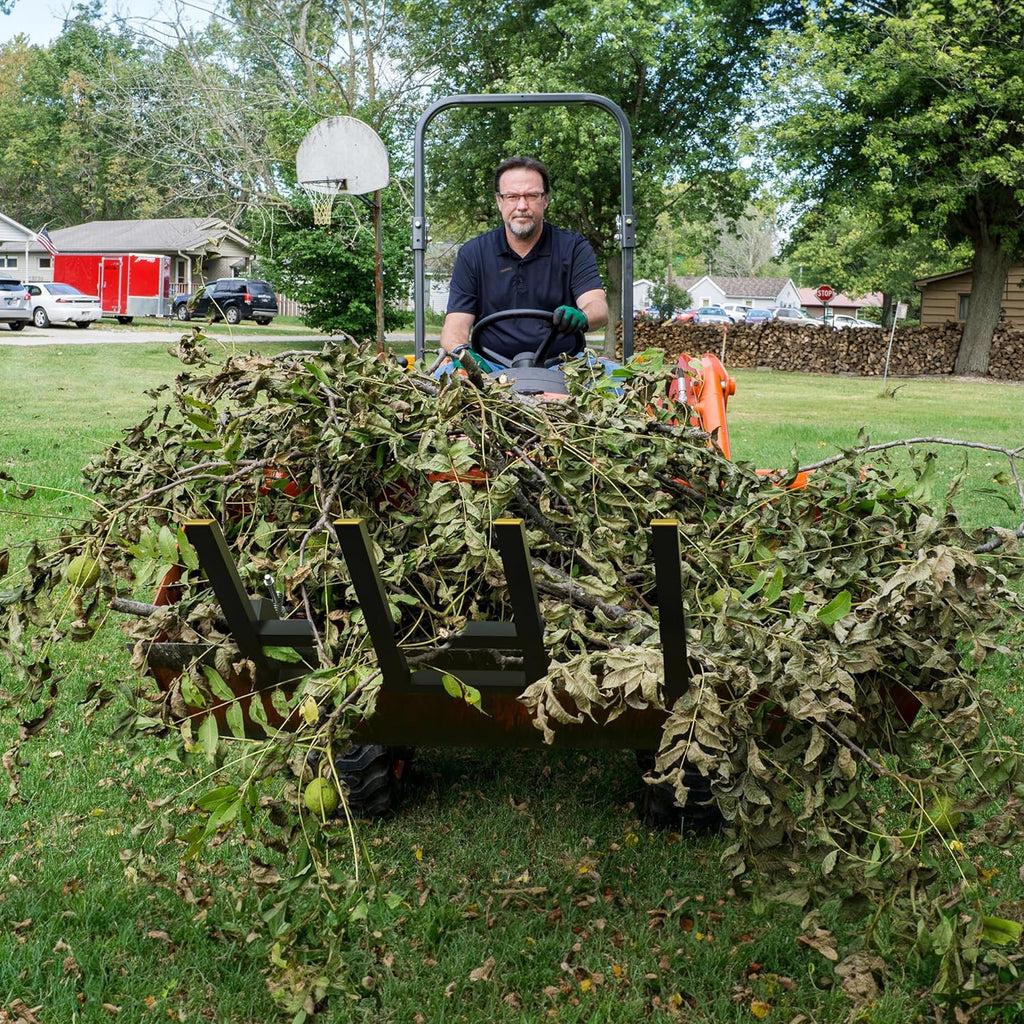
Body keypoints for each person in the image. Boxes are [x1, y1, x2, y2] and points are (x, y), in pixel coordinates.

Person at [439, 157, 609, 367]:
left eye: (531, 195)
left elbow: (598, 309)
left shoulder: (574, 248)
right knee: (441, 378)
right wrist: (464, 356)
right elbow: (454, 327)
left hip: (565, 366)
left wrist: (583, 316)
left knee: (616, 380)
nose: (522, 206)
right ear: (499, 201)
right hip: (491, 367)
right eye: (512, 196)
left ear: (545, 199)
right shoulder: (473, 254)